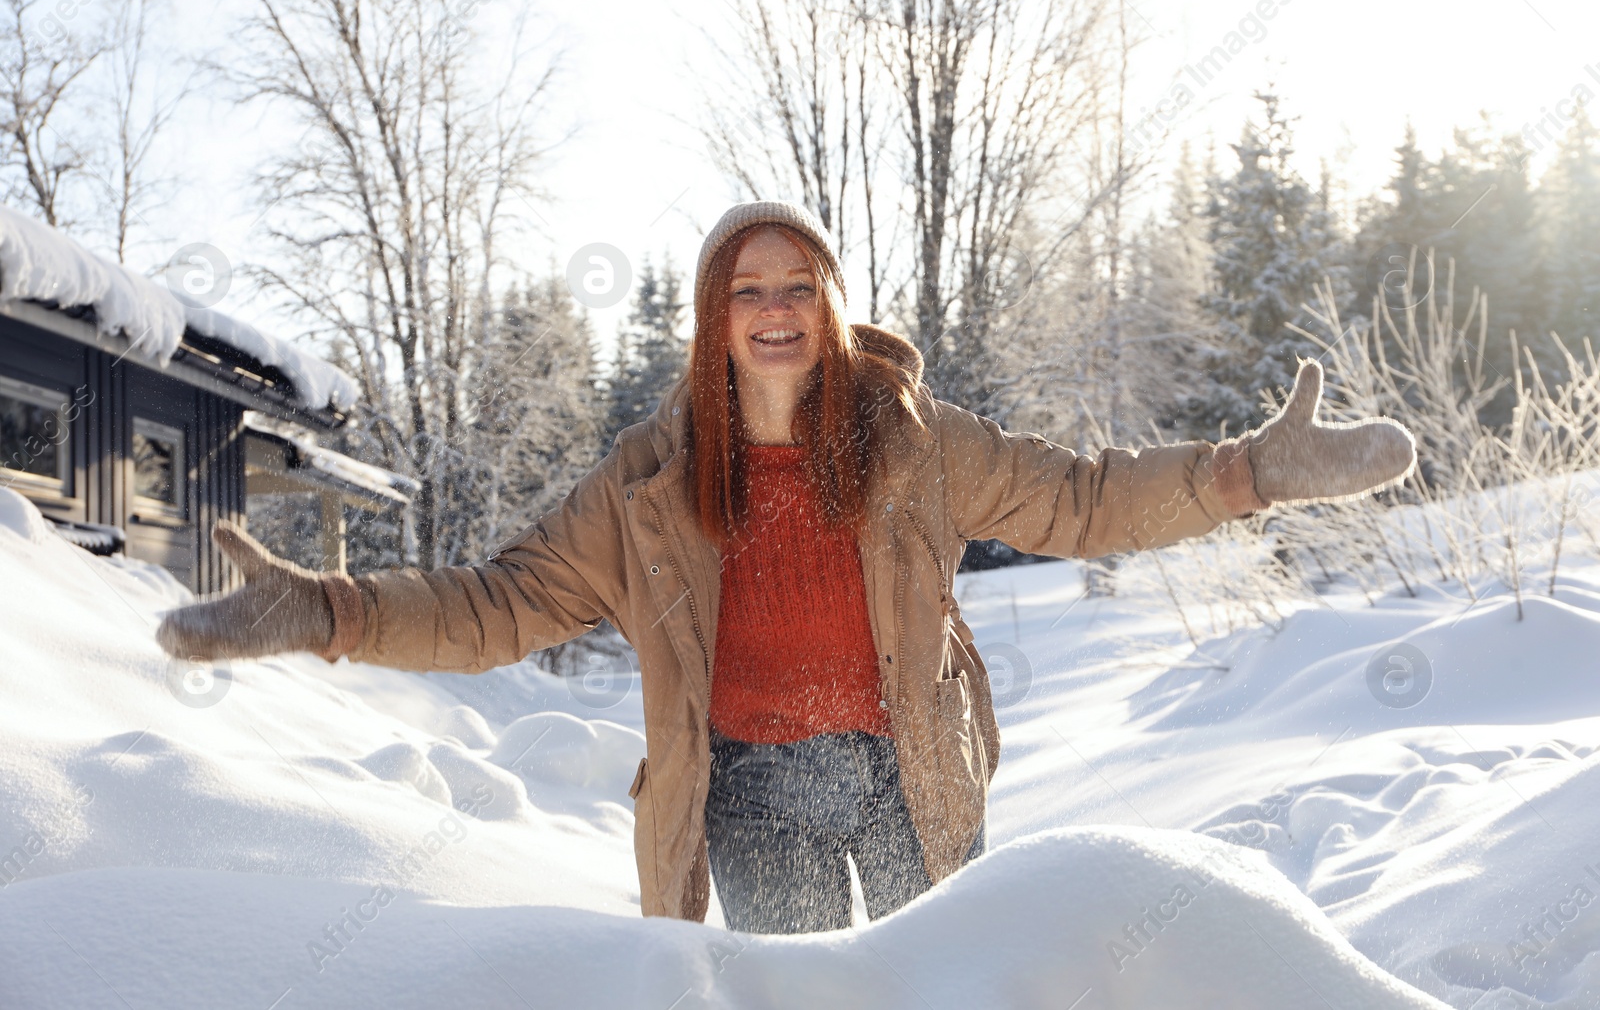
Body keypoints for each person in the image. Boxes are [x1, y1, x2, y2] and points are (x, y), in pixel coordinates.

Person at [157, 200, 1416, 934]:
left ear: (828, 300)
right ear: (714, 315)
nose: (772, 308)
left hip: (903, 771)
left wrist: (1244, 473)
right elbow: (500, 603)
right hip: (747, 796)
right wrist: (325, 608)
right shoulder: (647, 483)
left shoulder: (912, 440)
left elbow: (1078, 497)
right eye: (744, 289)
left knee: (945, 995)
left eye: (795, 286)